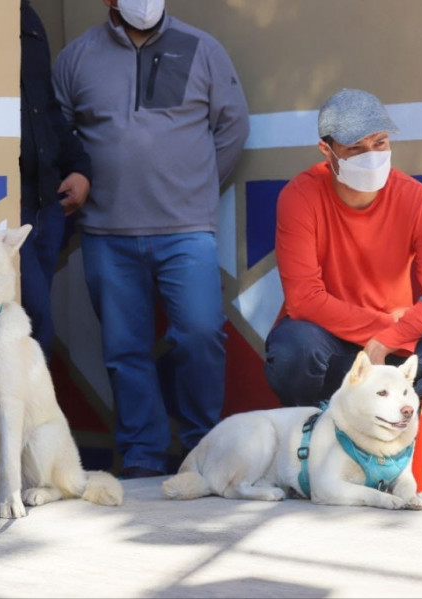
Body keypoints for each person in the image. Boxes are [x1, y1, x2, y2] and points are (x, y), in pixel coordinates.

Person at [53, 0, 250, 478]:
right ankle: (143, 455)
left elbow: (233, 126)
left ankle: (204, 450)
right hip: (105, 232)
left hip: (186, 231)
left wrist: (194, 189)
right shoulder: (77, 57)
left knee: (201, 334)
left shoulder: (201, 48)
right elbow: (58, 135)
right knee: (124, 350)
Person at [264, 88, 422, 408]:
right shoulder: (300, 196)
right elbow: (303, 300)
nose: (370, 155)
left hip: (394, 350)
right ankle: (317, 429)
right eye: (355, 148)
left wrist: (391, 339)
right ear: (326, 151)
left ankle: (397, 424)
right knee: (292, 351)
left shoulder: (417, 199)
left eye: (379, 142)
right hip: (330, 344)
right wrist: (386, 330)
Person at [20, 0, 92, 360]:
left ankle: (33, 416)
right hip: (6, 203)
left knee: (36, 328)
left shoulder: (29, 18)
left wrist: (79, 168)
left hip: (46, 203)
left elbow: (45, 107)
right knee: (33, 321)